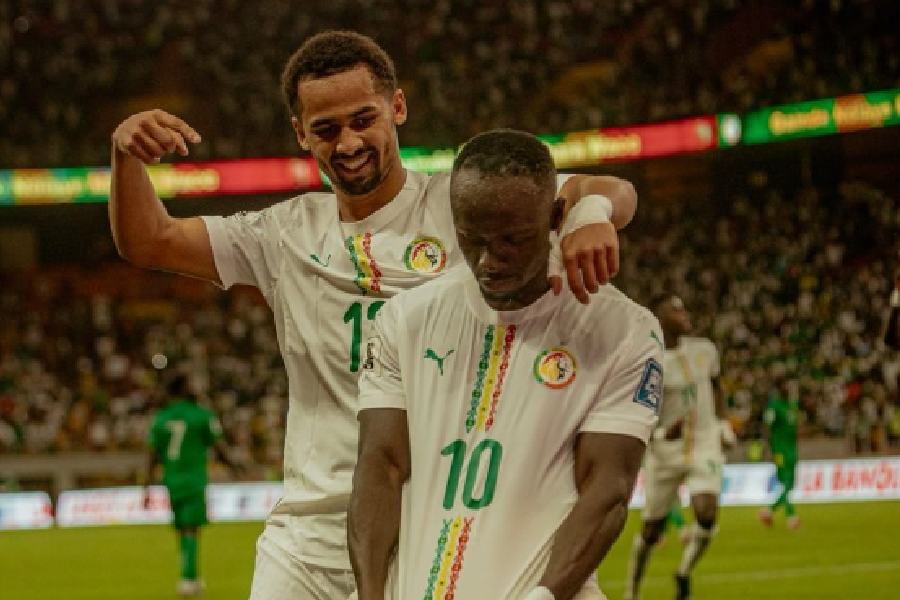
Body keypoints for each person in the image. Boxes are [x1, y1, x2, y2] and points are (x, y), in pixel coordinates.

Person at [109, 31, 639, 600]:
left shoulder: (466, 204)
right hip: (313, 539)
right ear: (300, 133)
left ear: (398, 107)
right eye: (326, 129)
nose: (348, 143)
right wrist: (124, 155)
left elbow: (611, 188)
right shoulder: (281, 233)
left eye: (364, 120)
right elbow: (150, 239)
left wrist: (589, 212)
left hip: (447, 523)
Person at [348, 129, 662, 600]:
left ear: (555, 216)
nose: (489, 261)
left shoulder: (621, 331)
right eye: (471, 239)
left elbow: (607, 490)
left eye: (513, 239)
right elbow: (381, 465)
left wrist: (543, 597)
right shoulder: (404, 319)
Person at [624, 295, 734, 600]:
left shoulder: (704, 350)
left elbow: (716, 386)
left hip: (704, 444)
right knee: (651, 530)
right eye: (675, 311)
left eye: (684, 308)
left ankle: (683, 573)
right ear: (658, 319)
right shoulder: (648, 363)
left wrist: (723, 423)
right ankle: (632, 591)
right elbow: (638, 414)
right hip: (665, 453)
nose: (684, 314)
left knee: (707, 514)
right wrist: (661, 434)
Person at [144, 374, 239, 597]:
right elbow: (219, 446)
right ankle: (188, 578)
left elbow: (152, 454)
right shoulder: (201, 415)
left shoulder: (161, 417)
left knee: (181, 528)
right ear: (185, 388)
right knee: (191, 529)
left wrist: (146, 486)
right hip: (194, 480)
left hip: (171, 480)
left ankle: (191, 576)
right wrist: (235, 467)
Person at [757, 379, 800, 529]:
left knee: (789, 484)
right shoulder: (773, 406)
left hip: (792, 449)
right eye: (784, 387)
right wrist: (766, 447)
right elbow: (766, 426)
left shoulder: (792, 405)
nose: (787, 389)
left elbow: (794, 427)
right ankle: (787, 516)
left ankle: (774, 513)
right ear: (779, 389)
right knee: (786, 482)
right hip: (780, 450)